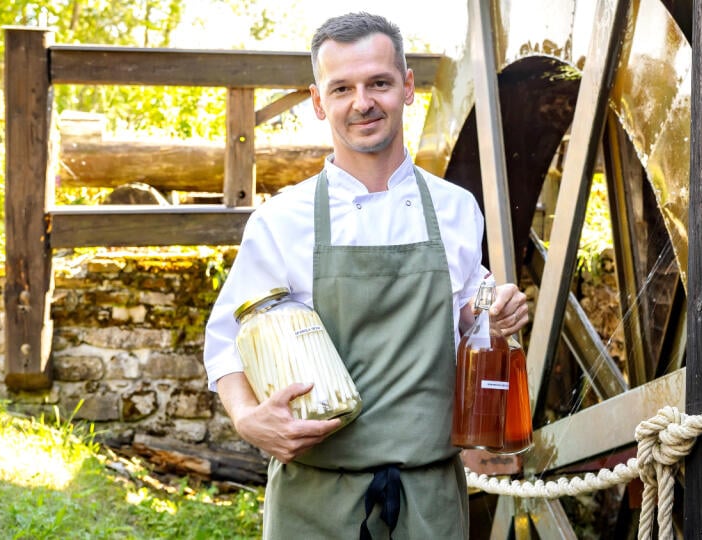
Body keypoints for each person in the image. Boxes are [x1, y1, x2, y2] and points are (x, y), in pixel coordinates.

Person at [203, 11, 528, 539]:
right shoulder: (281, 219)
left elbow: (468, 324)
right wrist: (246, 418)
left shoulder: (456, 208)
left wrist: (491, 316)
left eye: (379, 82)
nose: (363, 102)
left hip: (430, 500)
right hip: (314, 501)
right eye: (342, 88)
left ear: (408, 87)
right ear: (317, 101)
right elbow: (224, 343)